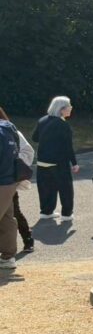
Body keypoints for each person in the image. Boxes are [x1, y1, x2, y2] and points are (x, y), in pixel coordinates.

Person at [32, 96, 79, 222]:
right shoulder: (63, 125)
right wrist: (74, 163)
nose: (71, 108)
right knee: (65, 189)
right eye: (69, 106)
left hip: (42, 161)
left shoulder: (42, 120)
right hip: (59, 163)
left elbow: (34, 138)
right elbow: (68, 147)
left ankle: (46, 212)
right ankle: (66, 214)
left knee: (46, 188)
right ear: (61, 109)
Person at [0, 106, 34, 253]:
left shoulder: (9, 131)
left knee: (14, 213)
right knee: (9, 216)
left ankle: (27, 239)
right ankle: (8, 254)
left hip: (9, 179)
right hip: (9, 179)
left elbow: (28, 151)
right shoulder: (9, 129)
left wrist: (11, 161)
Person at [0, 113, 24, 270]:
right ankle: (8, 257)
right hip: (9, 181)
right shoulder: (9, 128)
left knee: (7, 219)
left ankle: (8, 257)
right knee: (7, 219)